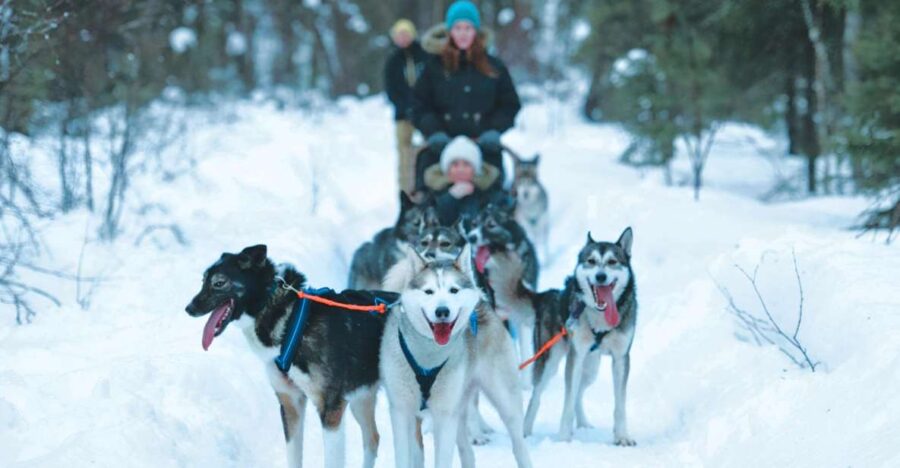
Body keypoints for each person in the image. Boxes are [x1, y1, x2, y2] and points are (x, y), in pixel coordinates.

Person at [412, 0, 521, 193]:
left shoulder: (494, 67)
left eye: (468, 28)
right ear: (449, 31)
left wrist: (495, 131)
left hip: (483, 146)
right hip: (441, 147)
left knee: (495, 198)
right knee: (427, 195)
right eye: (458, 28)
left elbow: (510, 104)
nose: (463, 33)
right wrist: (433, 131)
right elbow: (419, 105)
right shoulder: (433, 67)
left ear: (476, 31)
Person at [384, 19, 429, 195]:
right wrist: (404, 107)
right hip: (403, 115)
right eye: (399, 35)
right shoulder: (393, 61)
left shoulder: (424, 56)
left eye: (406, 34)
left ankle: (426, 188)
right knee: (405, 153)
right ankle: (406, 191)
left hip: (425, 112)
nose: (403, 38)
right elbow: (391, 89)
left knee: (428, 149)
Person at [425, 136, 501, 225]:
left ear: (475, 170)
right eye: (455, 165)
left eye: (466, 164)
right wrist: (451, 197)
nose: (460, 169)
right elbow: (437, 221)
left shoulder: (488, 192)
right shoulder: (436, 192)